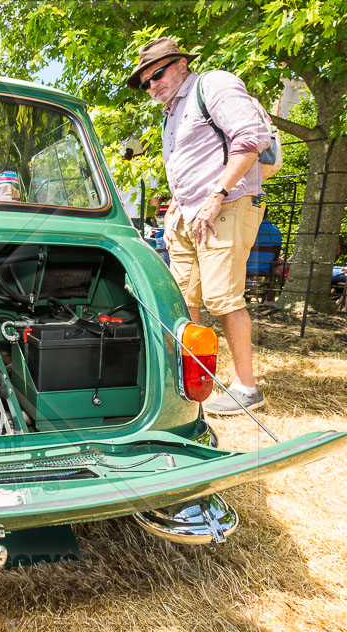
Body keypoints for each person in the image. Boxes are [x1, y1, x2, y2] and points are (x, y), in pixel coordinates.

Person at [128, 37, 272, 415]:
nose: (152, 85)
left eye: (156, 74)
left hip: (225, 206)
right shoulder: (172, 111)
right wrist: (178, 202)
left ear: (180, 64)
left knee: (223, 298)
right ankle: (189, 376)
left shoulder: (214, 85)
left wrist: (216, 195)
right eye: (145, 82)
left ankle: (246, 387)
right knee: (183, 299)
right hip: (189, 214)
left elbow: (250, 138)